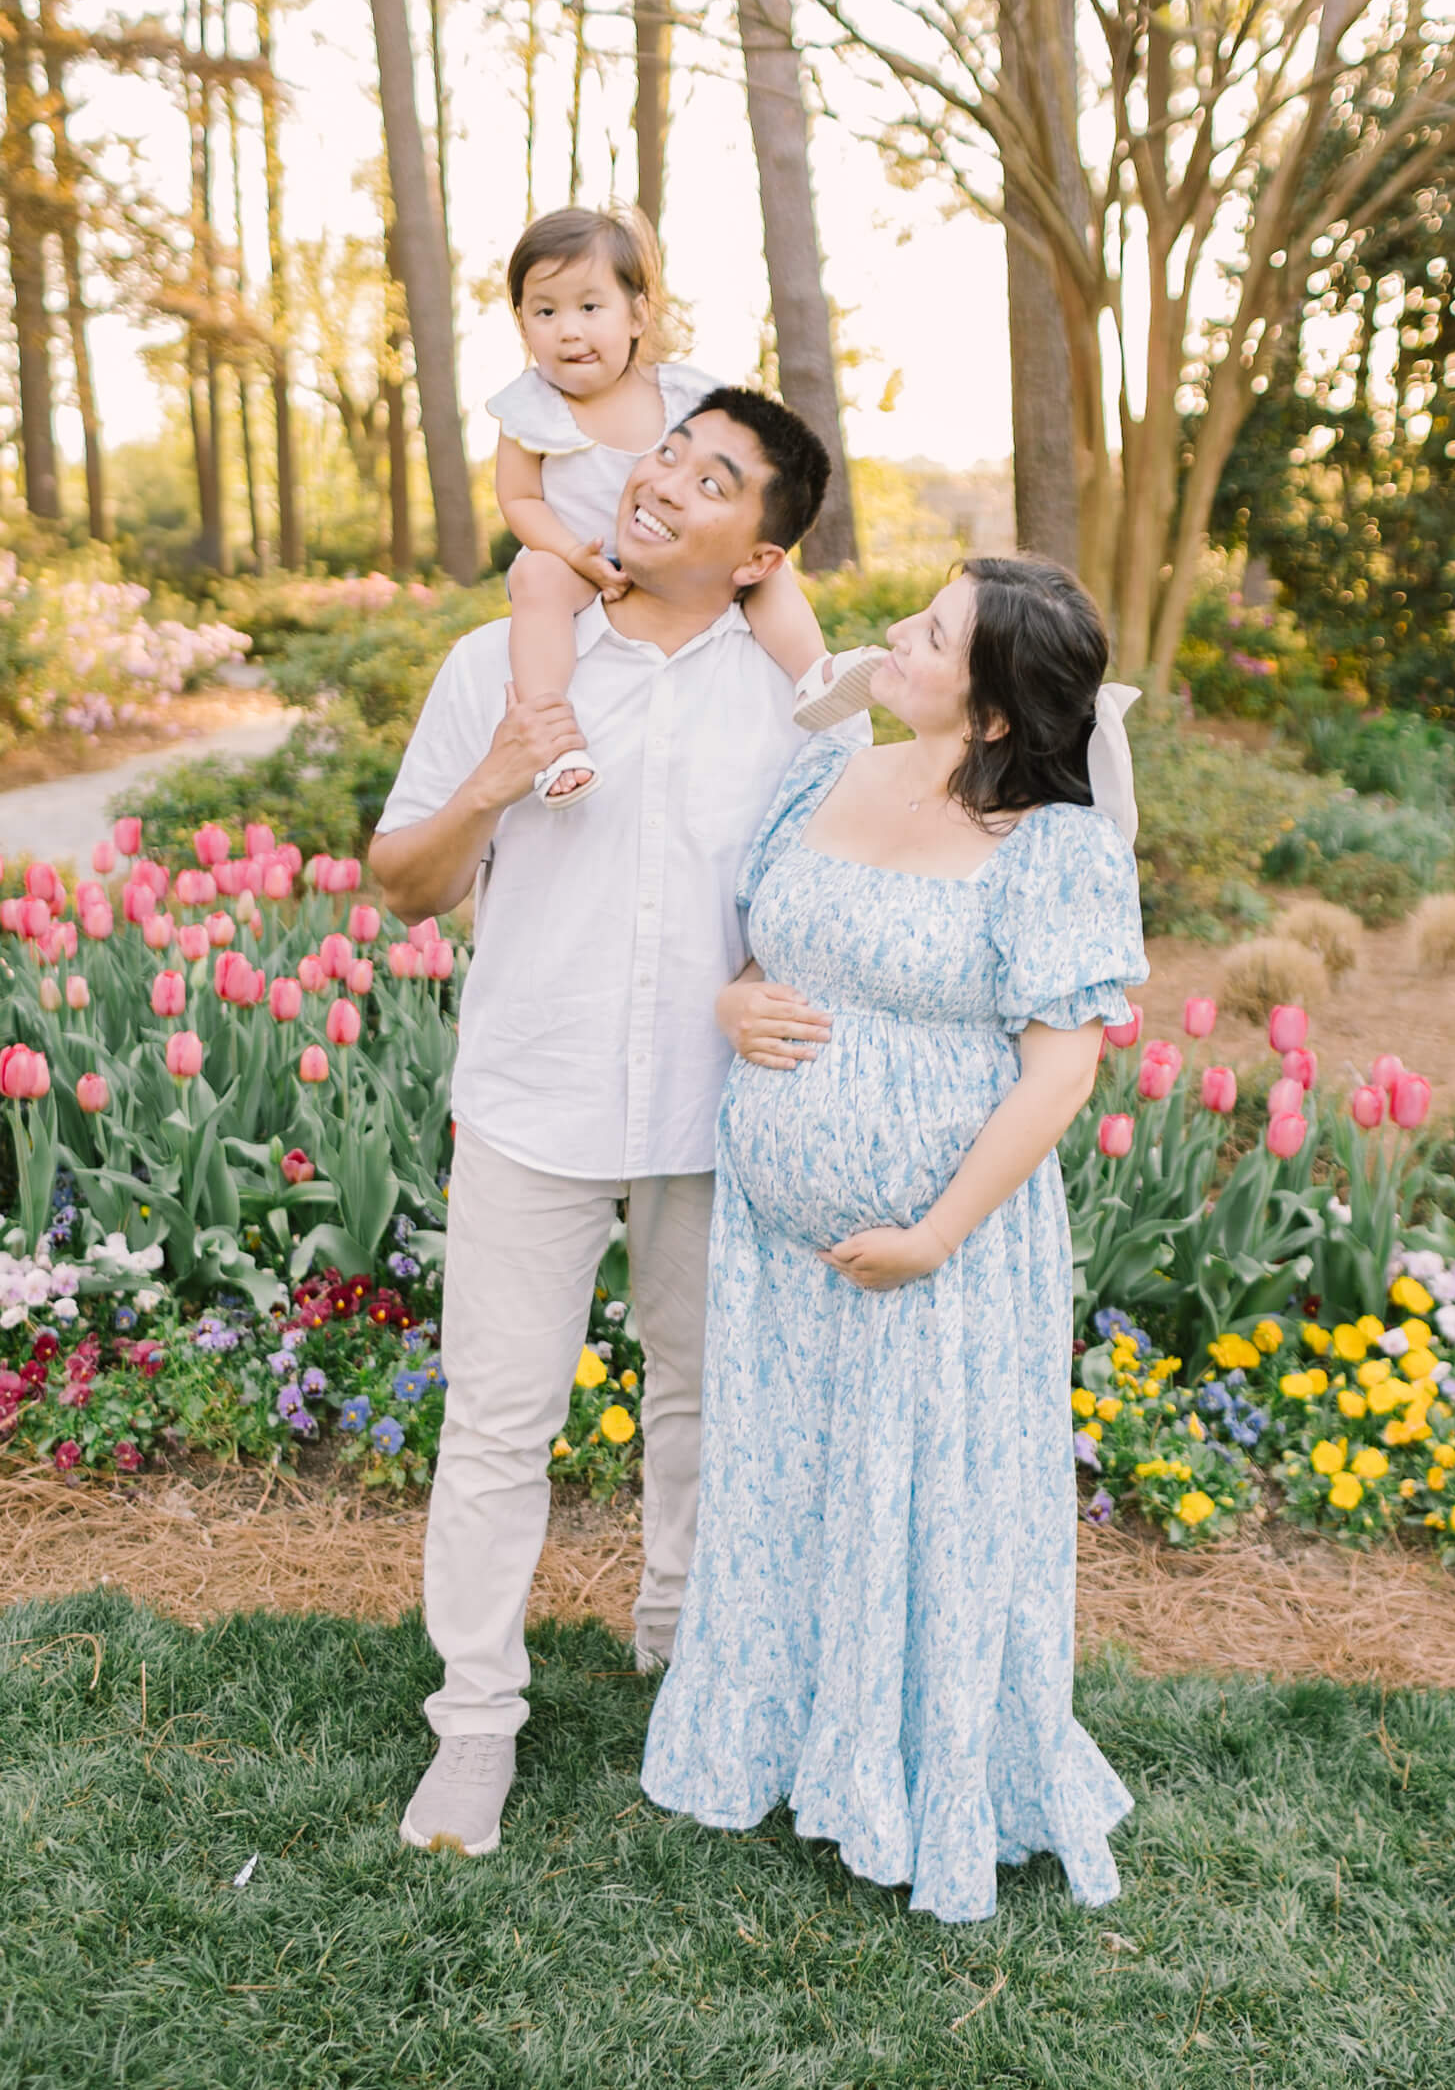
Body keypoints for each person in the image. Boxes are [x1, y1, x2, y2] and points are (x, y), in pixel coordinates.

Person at [367, 387, 865, 1861]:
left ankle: (678, 1648)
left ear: (763, 552)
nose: (660, 481)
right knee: (495, 1425)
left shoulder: (790, 703)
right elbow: (402, 879)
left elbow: (822, 902)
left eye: (712, 479)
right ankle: (473, 1727)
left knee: (703, 1408)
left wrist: (761, 979)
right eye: (666, 450)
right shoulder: (499, 662)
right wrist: (496, 780)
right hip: (530, 1100)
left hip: (717, 1125)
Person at [641, 557, 1148, 1924]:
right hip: (779, 1251)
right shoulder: (830, 777)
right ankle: (790, 1736)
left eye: (929, 634)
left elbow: (1059, 1074)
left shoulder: (1052, 851)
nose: (895, 639)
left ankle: (913, 1766)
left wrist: (931, 1232)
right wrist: (737, 1008)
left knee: (922, 1499)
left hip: (943, 1256)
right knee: (797, 1490)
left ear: (990, 713)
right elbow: (764, 956)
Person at [488, 203, 883, 806]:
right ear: (523, 323)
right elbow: (518, 498)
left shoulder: (682, 392)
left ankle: (813, 673)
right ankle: (551, 735)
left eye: (590, 308)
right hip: (583, 561)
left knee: (766, 573)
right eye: (545, 311)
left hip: (683, 561)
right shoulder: (529, 410)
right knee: (533, 577)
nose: (568, 329)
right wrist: (573, 552)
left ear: (638, 314)